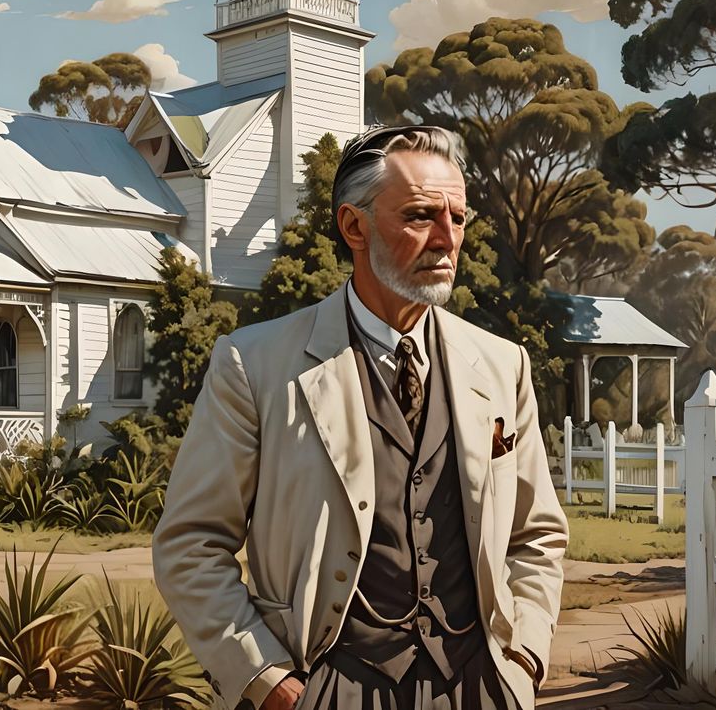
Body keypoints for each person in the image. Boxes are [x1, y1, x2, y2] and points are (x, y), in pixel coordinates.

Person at [152, 125, 568, 710]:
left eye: (459, 217)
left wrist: (522, 660)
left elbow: (536, 534)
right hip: (332, 684)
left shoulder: (503, 365)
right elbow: (190, 543)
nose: (448, 239)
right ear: (354, 226)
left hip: (479, 686)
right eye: (422, 215)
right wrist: (267, 681)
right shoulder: (255, 366)